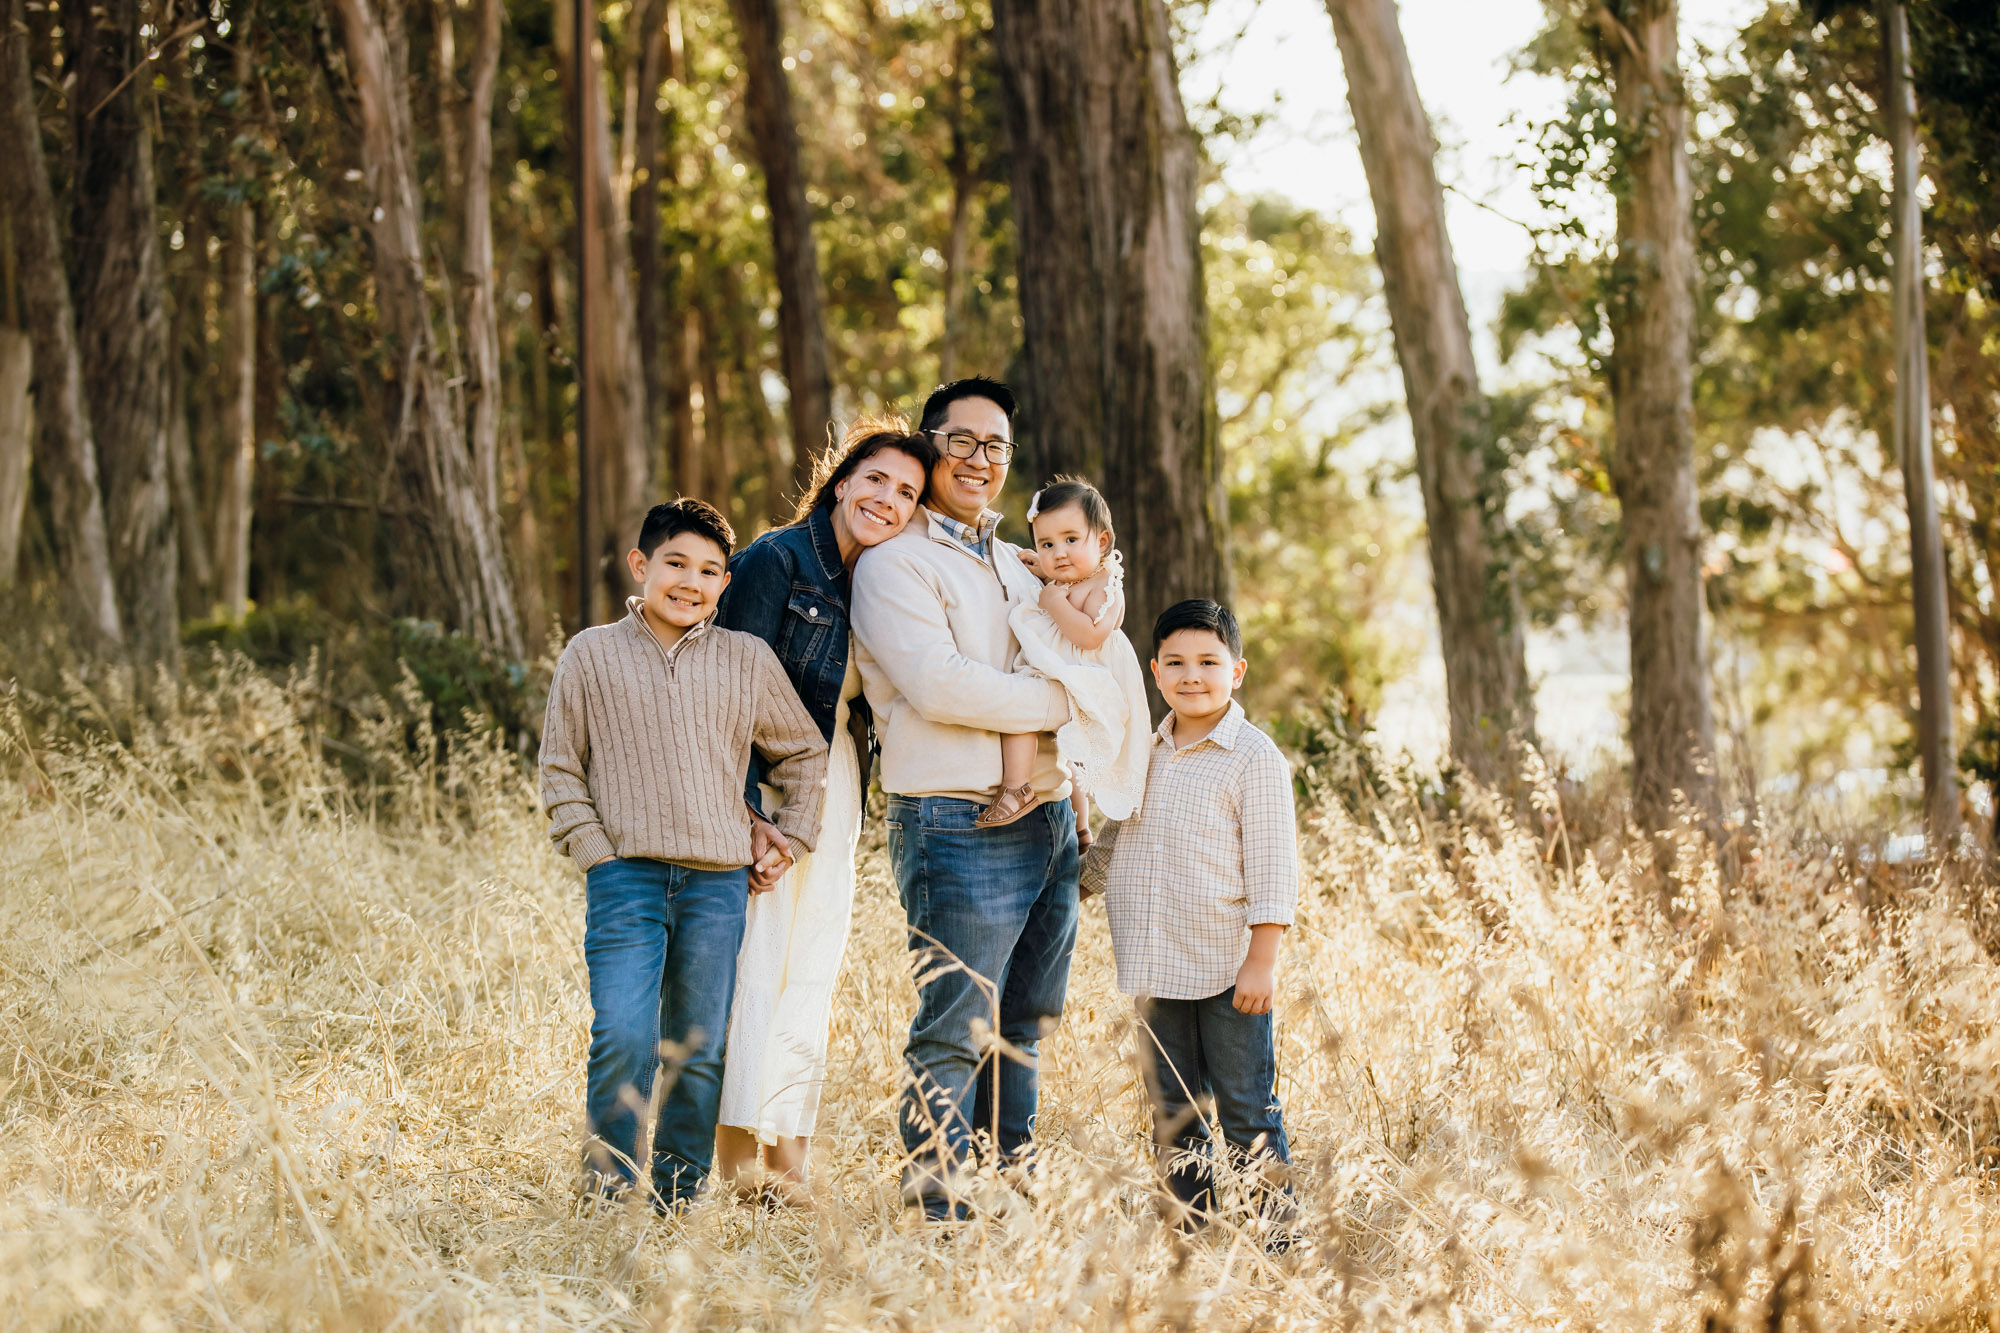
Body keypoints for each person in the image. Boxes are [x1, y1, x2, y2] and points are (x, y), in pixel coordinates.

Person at [538, 498, 830, 1211]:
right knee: (623, 1036)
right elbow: (558, 767)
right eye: (676, 564)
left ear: (726, 584)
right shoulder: (591, 653)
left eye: (709, 571)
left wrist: (789, 835)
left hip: (718, 884)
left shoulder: (745, 658)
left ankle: (678, 1194)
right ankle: (608, 1192)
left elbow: (804, 751)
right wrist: (597, 852)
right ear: (642, 566)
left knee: (699, 1050)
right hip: (625, 878)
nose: (691, 582)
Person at [849, 376, 1080, 1220]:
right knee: (956, 1020)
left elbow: (1066, 643)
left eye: (997, 447)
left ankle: (1009, 1185)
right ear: (928, 443)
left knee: (1026, 1019)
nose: (981, 460)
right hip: (954, 818)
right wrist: (1068, 707)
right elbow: (940, 686)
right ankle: (936, 1206)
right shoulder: (894, 561)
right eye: (962, 441)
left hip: (1048, 814)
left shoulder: (1016, 559)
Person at [711, 421, 939, 1204]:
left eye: (907, 492)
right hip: (765, 780)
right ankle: (739, 1165)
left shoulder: (875, 577)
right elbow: (727, 689)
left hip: (837, 780)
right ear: (842, 481)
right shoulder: (778, 559)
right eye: (876, 479)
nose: (888, 499)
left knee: (812, 964)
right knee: (755, 963)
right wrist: (745, 814)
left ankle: (790, 1166)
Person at [1090, 599, 1299, 1246]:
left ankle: (1278, 1237)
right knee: (1174, 1109)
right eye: (1176, 663)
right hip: (1156, 964)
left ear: (1236, 671)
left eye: (1208, 662)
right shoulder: (1141, 751)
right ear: (1154, 672)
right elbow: (1110, 841)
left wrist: (1261, 959)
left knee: (1244, 1106)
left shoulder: (1252, 757)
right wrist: (1069, 881)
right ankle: (1192, 1231)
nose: (1191, 676)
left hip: (1226, 965)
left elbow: (1272, 866)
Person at [976, 477, 1151, 833]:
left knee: (1022, 714)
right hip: (1066, 669)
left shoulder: (1107, 584)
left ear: (1101, 541)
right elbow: (1065, 584)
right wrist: (1041, 573)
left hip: (1092, 673)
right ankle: (1079, 823)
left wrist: (1054, 603)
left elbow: (1089, 635)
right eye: (1047, 544)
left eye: (1071, 540)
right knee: (1059, 753)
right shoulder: (1072, 576)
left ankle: (1016, 786)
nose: (1058, 553)